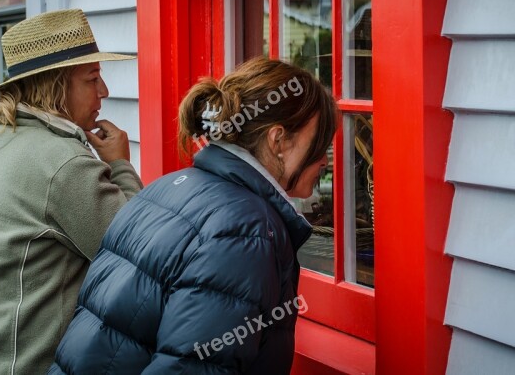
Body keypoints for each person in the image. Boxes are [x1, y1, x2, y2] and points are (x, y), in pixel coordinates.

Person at [49, 57, 338, 374]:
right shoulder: (245, 230)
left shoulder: (166, 188)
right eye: (319, 143)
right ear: (278, 140)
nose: (324, 159)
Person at [0, 9, 143, 374]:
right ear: (55, 84)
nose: (105, 91)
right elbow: (138, 254)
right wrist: (120, 166)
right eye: (92, 78)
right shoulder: (63, 162)